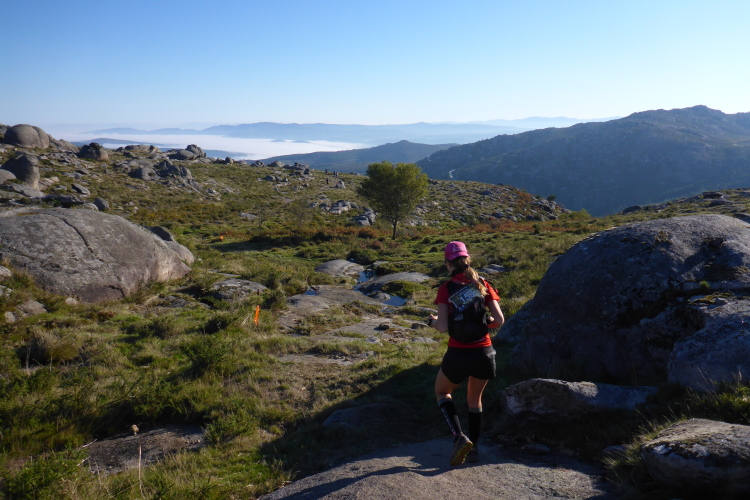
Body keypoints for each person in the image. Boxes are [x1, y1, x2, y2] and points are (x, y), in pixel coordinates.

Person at [426, 241, 504, 466]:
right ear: (467, 260)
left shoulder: (446, 288)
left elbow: (442, 327)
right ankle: (475, 449)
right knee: (474, 399)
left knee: (442, 392)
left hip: (458, 354)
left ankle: (459, 437)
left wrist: (431, 321)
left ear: (448, 264)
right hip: (484, 353)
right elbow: (499, 321)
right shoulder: (482, 284)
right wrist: (486, 321)